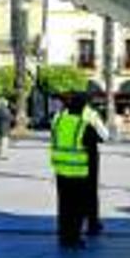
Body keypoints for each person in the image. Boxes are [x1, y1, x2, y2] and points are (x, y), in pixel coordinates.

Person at [49, 93, 92, 249]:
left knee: (64, 205)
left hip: (60, 170)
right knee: (77, 207)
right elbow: (93, 141)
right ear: (82, 109)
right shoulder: (83, 125)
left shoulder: (58, 122)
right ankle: (74, 238)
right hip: (78, 172)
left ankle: (63, 236)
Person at [82, 101, 109, 236]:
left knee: (69, 196)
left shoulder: (61, 115)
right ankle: (92, 224)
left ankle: (69, 229)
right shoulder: (91, 115)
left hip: (65, 162)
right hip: (88, 158)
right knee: (90, 192)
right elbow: (105, 135)